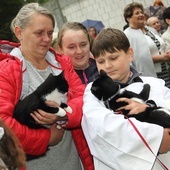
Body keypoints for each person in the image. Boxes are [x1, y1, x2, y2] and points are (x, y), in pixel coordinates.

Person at [0, 3, 94, 170]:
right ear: (19, 32)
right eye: (39, 33)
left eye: (50, 33)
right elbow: (3, 125)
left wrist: (63, 115)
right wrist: (46, 138)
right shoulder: (7, 71)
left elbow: (84, 99)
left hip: (74, 163)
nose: (47, 39)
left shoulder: (62, 63)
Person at [81, 27, 170, 170]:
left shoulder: (154, 83)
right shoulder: (94, 93)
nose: (108, 66)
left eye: (113, 58)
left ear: (129, 54)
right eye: (101, 61)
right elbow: (105, 129)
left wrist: (149, 108)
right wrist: (157, 138)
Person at [124, 2, 170, 88]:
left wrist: (166, 54)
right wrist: (161, 58)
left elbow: (160, 46)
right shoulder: (127, 35)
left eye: (141, 12)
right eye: (137, 13)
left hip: (165, 71)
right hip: (151, 75)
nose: (141, 14)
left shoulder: (150, 29)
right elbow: (137, 58)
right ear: (128, 18)